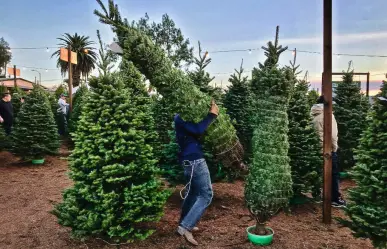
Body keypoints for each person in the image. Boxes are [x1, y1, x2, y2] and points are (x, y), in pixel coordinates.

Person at [174, 99, 219, 246]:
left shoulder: (180, 116)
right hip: (195, 160)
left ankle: (184, 222)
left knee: (192, 193)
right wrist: (212, 115)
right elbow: (198, 129)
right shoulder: (181, 117)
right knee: (206, 194)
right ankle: (185, 227)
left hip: (188, 160)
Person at [311, 96, 346, 207]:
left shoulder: (314, 114)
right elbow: (333, 135)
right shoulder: (328, 115)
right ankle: (335, 199)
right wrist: (334, 148)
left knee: (319, 173)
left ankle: (318, 195)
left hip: (316, 149)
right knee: (333, 175)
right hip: (328, 150)